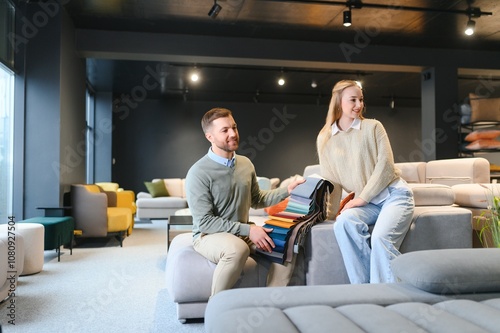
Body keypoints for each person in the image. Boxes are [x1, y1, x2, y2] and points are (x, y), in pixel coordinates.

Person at [185, 107, 305, 296]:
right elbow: (205, 222)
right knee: (237, 249)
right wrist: (250, 230)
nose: (233, 134)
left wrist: (287, 191)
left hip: (241, 230)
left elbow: (257, 200)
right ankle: (215, 309)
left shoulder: (245, 163)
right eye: (224, 130)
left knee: (286, 244)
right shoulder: (198, 173)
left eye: (234, 127)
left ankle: (268, 303)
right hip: (208, 235)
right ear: (210, 137)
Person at [316, 80, 414, 284]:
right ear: (338, 102)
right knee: (343, 222)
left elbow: (386, 166)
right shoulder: (325, 138)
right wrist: (329, 214)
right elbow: (331, 181)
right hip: (369, 204)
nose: (358, 105)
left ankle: (390, 296)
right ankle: (364, 290)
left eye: (360, 99)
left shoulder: (373, 127)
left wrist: (361, 198)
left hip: (394, 196)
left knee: (380, 240)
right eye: (353, 100)